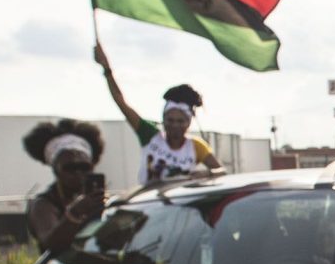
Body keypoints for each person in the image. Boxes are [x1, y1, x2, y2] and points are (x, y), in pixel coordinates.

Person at [95, 44, 224, 184]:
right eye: (170, 120)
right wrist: (107, 69)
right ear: (163, 119)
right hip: (150, 203)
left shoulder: (195, 146)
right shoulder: (150, 135)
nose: (175, 125)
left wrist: (208, 173)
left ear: (189, 121)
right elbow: (121, 102)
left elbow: (222, 171)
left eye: (180, 121)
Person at [22, 118, 108, 252]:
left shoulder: (98, 199)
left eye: (84, 167)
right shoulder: (43, 204)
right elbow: (50, 243)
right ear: (55, 170)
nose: (78, 174)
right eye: (70, 168)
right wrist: (76, 213)